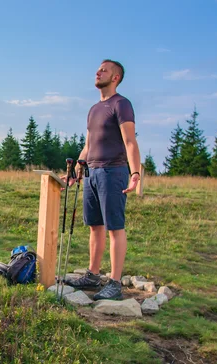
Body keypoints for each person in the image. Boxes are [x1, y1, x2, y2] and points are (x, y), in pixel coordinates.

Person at [63, 59, 141, 301]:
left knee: (114, 228)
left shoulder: (122, 104)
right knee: (94, 226)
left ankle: (115, 283)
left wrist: (135, 172)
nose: (98, 72)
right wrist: (78, 167)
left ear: (115, 77)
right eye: (98, 69)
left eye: (104, 70)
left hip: (113, 172)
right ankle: (93, 275)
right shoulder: (94, 109)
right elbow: (88, 145)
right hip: (91, 172)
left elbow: (130, 141)